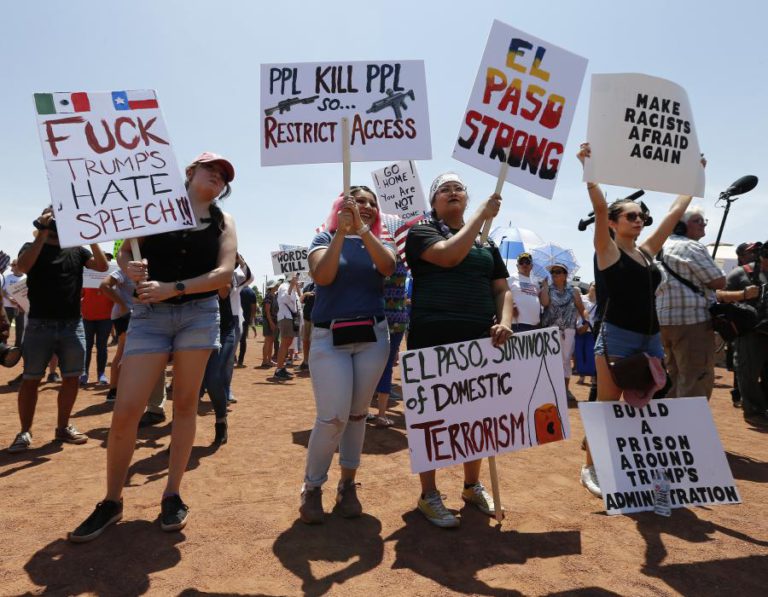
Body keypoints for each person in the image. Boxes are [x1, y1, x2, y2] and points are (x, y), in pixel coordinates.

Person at [69, 152, 237, 542]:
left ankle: (172, 493)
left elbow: (224, 272)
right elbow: (125, 252)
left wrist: (172, 288)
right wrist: (128, 265)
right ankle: (111, 501)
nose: (217, 178)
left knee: (184, 404)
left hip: (198, 314)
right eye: (211, 170)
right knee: (127, 409)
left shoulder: (223, 221)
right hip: (148, 318)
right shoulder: (152, 209)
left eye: (223, 177)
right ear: (191, 173)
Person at [577, 142, 706, 498]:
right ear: (615, 223)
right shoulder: (606, 252)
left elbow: (671, 214)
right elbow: (600, 208)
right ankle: (590, 467)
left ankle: (630, 465)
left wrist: (694, 174)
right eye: (631, 216)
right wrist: (590, 173)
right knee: (608, 402)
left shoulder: (648, 254)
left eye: (640, 217)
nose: (639, 220)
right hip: (616, 336)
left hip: (650, 339)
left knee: (644, 405)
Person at [405, 172, 513, 528]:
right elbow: (449, 257)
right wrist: (481, 216)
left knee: (478, 416)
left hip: (477, 339)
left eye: (458, 189)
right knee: (431, 419)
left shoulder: (488, 246)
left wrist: (505, 320)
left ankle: (471, 486)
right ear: (434, 202)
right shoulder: (422, 233)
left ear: (466, 198)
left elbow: (501, 289)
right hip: (431, 336)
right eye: (444, 190)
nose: (452, 193)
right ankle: (429, 494)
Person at [299, 185, 395, 524]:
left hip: (372, 336)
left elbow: (387, 266)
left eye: (372, 203)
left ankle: (348, 485)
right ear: (341, 205)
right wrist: (341, 231)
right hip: (329, 337)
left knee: (357, 415)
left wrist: (362, 230)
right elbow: (322, 274)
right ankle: (312, 488)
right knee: (332, 417)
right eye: (358, 200)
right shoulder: (322, 240)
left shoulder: (382, 242)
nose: (366, 206)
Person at [6, 207, 108, 454]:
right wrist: (41, 233)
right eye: (50, 217)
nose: (55, 221)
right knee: (31, 379)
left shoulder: (77, 250)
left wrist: (91, 236)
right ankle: (25, 431)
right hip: (39, 324)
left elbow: (102, 266)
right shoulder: (31, 246)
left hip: (72, 325)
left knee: (72, 378)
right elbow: (23, 267)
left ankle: (62, 427)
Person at [656, 206, 725, 400]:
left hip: (664, 322)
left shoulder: (659, 248)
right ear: (679, 226)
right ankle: (690, 427)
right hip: (692, 322)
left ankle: (674, 426)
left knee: (676, 377)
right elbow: (718, 281)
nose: (703, 224)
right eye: (697, 220)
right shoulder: (692, 246)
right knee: (696, 380)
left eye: (704, 221)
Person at [716, 241, 768, 425]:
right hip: (750, 333)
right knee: (747, 374)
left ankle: (762, 407)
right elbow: (719, 296)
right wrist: (743, 297)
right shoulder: (740, 273)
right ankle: (754, 412)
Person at [541, 263, 589, 401]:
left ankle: (565, 390)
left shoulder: (573, 291)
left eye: (558, 271)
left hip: (568, 330)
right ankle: (550, 389)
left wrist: (586, 322)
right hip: (550, 330)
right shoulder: (548, 289)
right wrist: (544, 286)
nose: (554, 274)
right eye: (553, 272)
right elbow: (544, 303)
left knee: (566, 360)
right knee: (550, 360)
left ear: (565, 275)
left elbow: (582, 309)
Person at [370, 257, 409, 427]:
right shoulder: (405, 264)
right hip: (398, 319)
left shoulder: (377, 261)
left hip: (375, 318)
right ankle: (382, 414)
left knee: (368, 365)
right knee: (387, 367)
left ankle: (362, 410)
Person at [80, 285, 114, 385]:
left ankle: (101, 374)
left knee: (102, 346)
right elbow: (80, 294)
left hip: (106, 317)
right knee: (86, 346)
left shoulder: (110, 275)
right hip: (87, 317)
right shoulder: (87, 276)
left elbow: (116, 295)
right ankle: (84, 373)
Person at [507, 252, 548, 332]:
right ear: (517, 266)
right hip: (517, 324)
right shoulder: (510, 279)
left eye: (527, 262)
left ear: (531, 266)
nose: (524, 264)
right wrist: (512, 305)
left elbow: (545, 303)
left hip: (535, 326)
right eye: (521, 262)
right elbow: (502, 296)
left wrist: (545, 287)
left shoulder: (535, 282)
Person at [274, 275, 300, 380]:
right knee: (285, 343)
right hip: (286, 317)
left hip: (289, 318)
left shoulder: (290, 286)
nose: (298, 279)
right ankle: (279, 369)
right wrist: (292, 286)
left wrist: (294, 286)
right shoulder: (285, 286)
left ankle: (281, 368)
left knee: (287, 343)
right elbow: (285, 299)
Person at [574, 283, 597, 385]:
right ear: (590, 287)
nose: (595, 288)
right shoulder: (582, 298)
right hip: (579, 330)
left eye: (597, 286)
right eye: (594, 286)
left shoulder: (601, 302)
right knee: (579, 354)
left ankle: (593, 377)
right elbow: (575, 312)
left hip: (592, 331)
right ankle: (581, 377)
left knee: (591, 354)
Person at [2, 259, 26, 347]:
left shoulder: (26, 278)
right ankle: (3, 347)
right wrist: (9, 298)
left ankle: (17, 348)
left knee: (20, 328)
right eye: (12, 265)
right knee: (5, 327)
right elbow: (2, 291)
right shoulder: (7, 277)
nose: (12, 267)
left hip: (20, 308)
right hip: (7, 307)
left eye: (14, 265)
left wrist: (22, 302)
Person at [237, 284, 257, 367]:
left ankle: (231, 358)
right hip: (245, 318)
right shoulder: (251, 292)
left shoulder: (236, 289)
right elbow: (254, 308)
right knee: (243, 341)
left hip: (234, 317)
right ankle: (240, 361)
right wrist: (251, 319)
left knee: (231, 338)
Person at [298, 279, 316, 372]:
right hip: (307, 317)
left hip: (317, 318)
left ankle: (313, 363)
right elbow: (301, 300)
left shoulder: (323, 285)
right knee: (305, 340)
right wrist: (305, 294)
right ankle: (305, 362)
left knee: (314, 341)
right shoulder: (308, 286)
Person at [260, 280, 279, 367]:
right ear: (272, 287)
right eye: (276, 285)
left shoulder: (273, 296)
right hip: (269, 320)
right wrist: (271, 323)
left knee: (271, 341)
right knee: (268, 340)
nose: (277, 286)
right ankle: (264, 361)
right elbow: (267, 311)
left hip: (273, 320)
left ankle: (269, 360)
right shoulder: (268, 296)